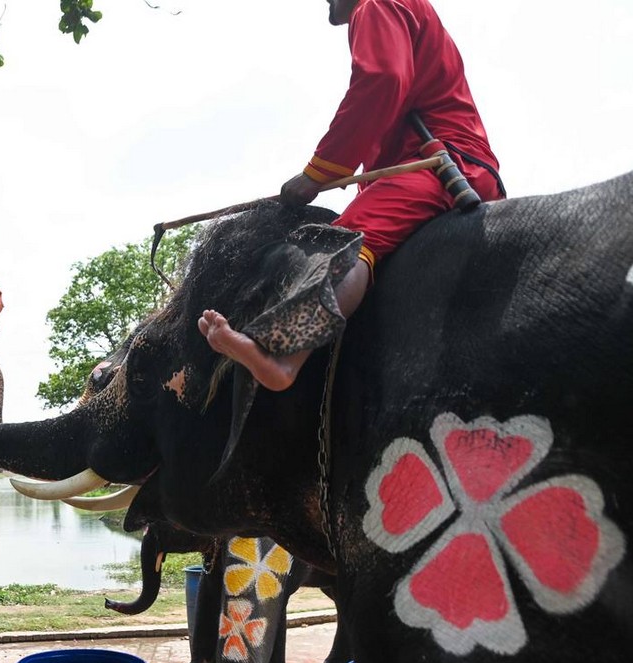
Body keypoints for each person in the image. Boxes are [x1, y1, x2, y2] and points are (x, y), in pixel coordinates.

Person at [200, 0, 505, 391]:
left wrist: (318, 173)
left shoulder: (374, 4)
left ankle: (283, 359)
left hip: (441, 167)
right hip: (446, 166)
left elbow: (382, 80)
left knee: (349, 240)